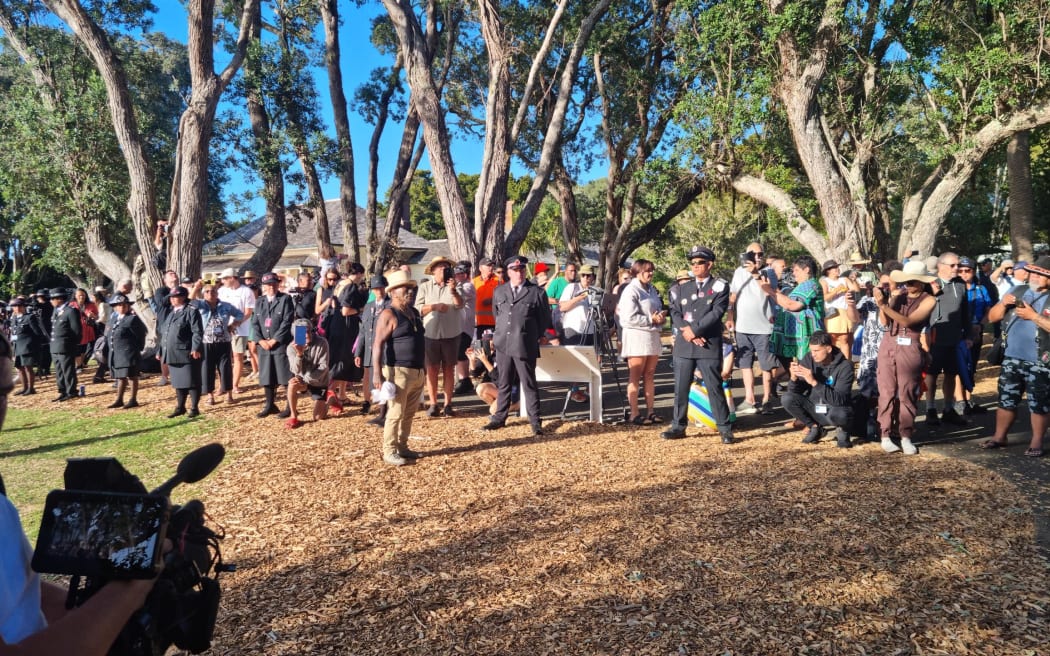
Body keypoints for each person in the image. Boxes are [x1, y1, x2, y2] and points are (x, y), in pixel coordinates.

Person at [979, 256, 1050, 458]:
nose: (1034, 277)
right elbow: (992, 317)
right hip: (1011, 357)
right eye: (1033, 272)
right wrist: (1002, 304)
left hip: (1041, 360)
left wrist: (1034, 317)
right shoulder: (1018, 290)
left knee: (1039, 403)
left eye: (1040, 274)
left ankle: (1036, 442)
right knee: (1006, 399)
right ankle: (999, 437)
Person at [662, 246, 734, 444]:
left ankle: (725, 429)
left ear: (709, 264)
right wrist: (689, 332)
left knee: (714, 387)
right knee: (681, 387)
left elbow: (716, 312)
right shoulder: (681, 288)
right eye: (692, 263)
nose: (695, 266)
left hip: (708, 343)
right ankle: (678, 426)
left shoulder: (720, 286)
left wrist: (696, 331)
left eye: (699, 262)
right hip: (685, 345)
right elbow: (674, 312)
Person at [481, 255, 554, 436]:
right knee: (504, 382)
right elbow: (497, 315)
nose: (519, 273)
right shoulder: (500, 291)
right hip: (503, 344)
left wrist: (530, 336)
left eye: (521, 269)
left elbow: (544, 320)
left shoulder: (536, 292)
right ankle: (499, 418)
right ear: (508, 272)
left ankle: (535, 422)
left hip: (524, 344)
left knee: (528, 384)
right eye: (514, 270)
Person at [874, 261, 937, 455]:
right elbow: (885, 322)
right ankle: (885, 434)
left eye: (913, 281)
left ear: (921, 282)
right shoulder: (898, 295)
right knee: (886, 391)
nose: (908, 285)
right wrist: (882, 304)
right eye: (906, 281)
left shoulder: (929, 300)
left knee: (907, 392)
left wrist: (884, 305)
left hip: (910, 344)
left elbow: (909, 322)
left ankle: (906, 435)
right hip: (889, 342)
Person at [371, 270, 426, 466]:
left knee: (409, 412)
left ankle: (403, 446)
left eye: (411, 288)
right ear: (393, 292)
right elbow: (377, 344)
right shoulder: (388, 313)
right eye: (405, 288)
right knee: (395, 412)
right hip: (398, 371)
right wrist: (377, 374)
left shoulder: (414, 312)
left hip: (418, 370)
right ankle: (389, 450)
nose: (410, 291)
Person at [727, 243, 779, 415]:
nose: (757, 256)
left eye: (760, 253)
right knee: (745, 363)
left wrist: (755, 274)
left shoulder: (769, 272)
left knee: (766, 365)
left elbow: (769, 292)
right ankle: (749, 399)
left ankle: (766, 399)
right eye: (753, 253)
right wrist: (730, 316)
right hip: (743, 326)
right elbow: (733, 295)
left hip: (764, 326)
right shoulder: (738, 272)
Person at [780, 331, 855, 447]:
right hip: (815, 407)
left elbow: (840, 400)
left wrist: (814, 382)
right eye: (811, 350)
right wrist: (793, 378)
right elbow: (794, 392)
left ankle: (843, 431)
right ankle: (815, 427)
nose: (813, 354)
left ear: (828, 349)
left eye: (817, 351)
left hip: (833, 409)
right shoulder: (809, 359)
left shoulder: (845, 366)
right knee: (787, 398)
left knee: (842, 413)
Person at [924, 252, 970, 427]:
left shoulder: (960, 284)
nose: (957, 268)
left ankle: (948, 409)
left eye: (957, 265)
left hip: (955, 337)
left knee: (952, 373)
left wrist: (968, 335)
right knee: (932, 374)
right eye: (953, 265)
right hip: (935, 336)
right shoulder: (930, 283)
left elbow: (965, 311)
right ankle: (930, 409)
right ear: (941, 266)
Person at [617, 259, 664, 426]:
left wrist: (660, 318)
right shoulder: (631, 290)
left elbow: (657, 310)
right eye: (646, 270)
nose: (650, 273)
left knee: (650, 375)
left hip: (652, 336)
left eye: (651, 270)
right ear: (637, 272)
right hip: (637, 336)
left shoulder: (652, 290)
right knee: (635, 375)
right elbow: (627, 318)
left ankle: (651, 411)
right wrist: (650, 319)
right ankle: (634, 413)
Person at [415, 256, 464, 416]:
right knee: (432, 369)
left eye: (446, 266)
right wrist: (434, 307)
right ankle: (434, 404)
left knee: (449, 369)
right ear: (434, 270)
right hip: (430, 334)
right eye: (441, 267)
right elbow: (417, 309)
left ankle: (448, 404)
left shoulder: (456, 286)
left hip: (451, 333)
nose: (444, 269)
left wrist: (453, 291)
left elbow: (460, 304)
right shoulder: (425, 287)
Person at [763, 255, 825, 368]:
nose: (794, 273)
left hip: (808, 337)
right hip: (795, 337)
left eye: (796, 270)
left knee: (809, 367)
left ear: (807, 269)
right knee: (792, 368)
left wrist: (769, 290)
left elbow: (792, 305)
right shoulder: (801, 286)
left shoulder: (810, 284)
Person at [191, 282, 243, 405]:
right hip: (206, 342)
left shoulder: (225, 306)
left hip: (223, 341)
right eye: (207, 291)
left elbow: (240, 314)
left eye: (213, 291)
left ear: (217, 292)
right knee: (207, 368)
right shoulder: (201, 305)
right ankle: (210, 396)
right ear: (203, 294)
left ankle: (229, 394)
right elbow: (189, 301)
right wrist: (195, 288)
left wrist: (234, 324)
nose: (211, 293)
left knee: (225, 368)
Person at [252, 272, 295, 418]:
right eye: (268, 284)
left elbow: (287, 321)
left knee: (285, 377)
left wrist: (274, 340)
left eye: (274, 284)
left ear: (278, 284)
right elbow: (255, 323)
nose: (271, 287)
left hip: (280, 344)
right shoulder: (259, 301)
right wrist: (260, 340)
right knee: (267, 377)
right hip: (264, 346)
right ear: (264, 286)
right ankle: (270, 405)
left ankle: (290, 407)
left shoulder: (285, 299)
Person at [326, 263, 368, 408]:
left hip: (336, 325)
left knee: (343, 360)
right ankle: (330, 391)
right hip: (346, 327)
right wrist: (361, 309)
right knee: (343, 361)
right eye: (361, 274)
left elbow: (333, 305)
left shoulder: (339, 284)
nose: (362, 277)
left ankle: (342, 395)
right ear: (358, 273)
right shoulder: (350, 286)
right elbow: (346, 310)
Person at [158, 287, 203, 418]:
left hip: (186, 352)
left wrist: (196, 348)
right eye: (171, 297)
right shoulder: (171, 313)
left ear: (183, 297)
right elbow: (165, 334)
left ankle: (194, 408)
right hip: (172, 352)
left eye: (175, 297)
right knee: (178, 382)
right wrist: (160, 349)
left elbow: (197, 332)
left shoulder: (191, 311)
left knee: (192, 381)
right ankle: (180, 407)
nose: (172, 299)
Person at [956, 256, 992, 414]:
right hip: (959, 333)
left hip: (976, 331)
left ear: (973, 271)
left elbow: (989, 309)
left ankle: (968, 399)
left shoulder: (981, 289)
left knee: (972, 366)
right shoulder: (954, 289)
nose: (964, 273)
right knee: (959, 367)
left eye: (967, 270)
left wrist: (981, 324)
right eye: (960, 271)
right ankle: (959, 401)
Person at [355, 275, 391, 423]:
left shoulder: (390, 305)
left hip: (386, 351)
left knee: (385, 381)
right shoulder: (369, 307)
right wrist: (358, 352)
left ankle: (385, 413)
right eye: (376, 289)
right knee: (373, 383)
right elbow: (363, 331)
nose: (379, 291)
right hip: (370, 351)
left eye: (381, 288)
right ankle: (381, 411)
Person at [285, 318, 331, 428]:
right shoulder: (291, 347)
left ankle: (330, 400)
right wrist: (299, 354)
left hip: (319, 381)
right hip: (302, 380)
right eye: (302, 333)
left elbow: (323, 366)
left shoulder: (322, 342)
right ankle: (293, 415)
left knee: (318, 417)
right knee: (292, 384)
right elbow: (295, 370)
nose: (307, 335)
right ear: (296, 335)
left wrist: (305, 378)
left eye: (309, 331)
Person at [105, 294, 147, 410]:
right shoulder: (114, 319)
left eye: (125, 305)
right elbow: (109, 335)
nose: (122, 307)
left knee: (132, 376)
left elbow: (141, 335)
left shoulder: (132, 319)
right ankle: (119, 399)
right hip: (117, 353)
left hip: (129, 352)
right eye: (119, 305)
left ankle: (133, 399)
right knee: (120, 377)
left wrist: (136, 349)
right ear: (114, 307)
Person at [217, 268, 256, 393]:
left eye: (225, 279)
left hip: (240, 329)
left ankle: (234, 384)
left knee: (237, 356)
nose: (222, 281)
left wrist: (235, 324)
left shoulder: (246, 291)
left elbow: (248, 312)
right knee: (222, 358)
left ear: (232, 278)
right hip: (222, 329)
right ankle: (223, 385)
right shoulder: (221, 291)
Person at [7, 298, 46, 396]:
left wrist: (33, 346)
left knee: (28, 368)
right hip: (17, 346)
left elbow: (38, 333)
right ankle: (24, 388)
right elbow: (13, 333)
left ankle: (31, 388)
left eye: (19, 306)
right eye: (15, 306)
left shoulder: (29, 317)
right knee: (19, 368)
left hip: (27, 347)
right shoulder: (14, 319)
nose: (17, 308)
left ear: (24, 307)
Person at [48, 288, 81, 402]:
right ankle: (62, 391)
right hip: (55, 345)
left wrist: (72, 345)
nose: (51, 301)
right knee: (59, 371)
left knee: (68, 370)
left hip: (65, 345)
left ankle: (71, 391)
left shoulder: (70, 311)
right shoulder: (56, 310)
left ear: (60, 299)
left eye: (53, 299)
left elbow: (76, 330)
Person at [558, 264, 600, 346]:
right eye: (583, 275)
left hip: (590, 331)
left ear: (593, 277)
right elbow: (562, 307)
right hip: (573, 329)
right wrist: (579, 297)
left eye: (588, 275)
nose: (585, 278)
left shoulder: (595, 291)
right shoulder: (572, 287)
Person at [453, 261, 477, 394]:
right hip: (456, 325)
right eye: (456, 273)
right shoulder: (459, 285)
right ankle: (463, 379)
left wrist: (452, 287)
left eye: (461, 273)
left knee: (461, 353)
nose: (458, 275)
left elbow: (460, 296)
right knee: (458, 354)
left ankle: (465, 380)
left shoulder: (468, 286)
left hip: (464, 326)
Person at [69, 288, 98, 372]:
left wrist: (92, 315)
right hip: (75, 329)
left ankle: (81, 364)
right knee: (77, 348)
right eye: (79, 295)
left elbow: (97, 317)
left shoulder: (91, 304)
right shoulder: (71, 305)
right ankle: (78, 366)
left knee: (83, 348)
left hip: (87, 329)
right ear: (75, 296)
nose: (81, 297)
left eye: (83, 295)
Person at [473, 257, 499, 338]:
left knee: (492, 349)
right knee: (480, 349)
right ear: (480, 268)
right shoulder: (474, 281)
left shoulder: (498, 281)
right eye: (488, 265)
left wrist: (492, 300)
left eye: (492, 265)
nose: (491, 268)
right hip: (477, 324)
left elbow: (505, 297)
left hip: (494, 323)